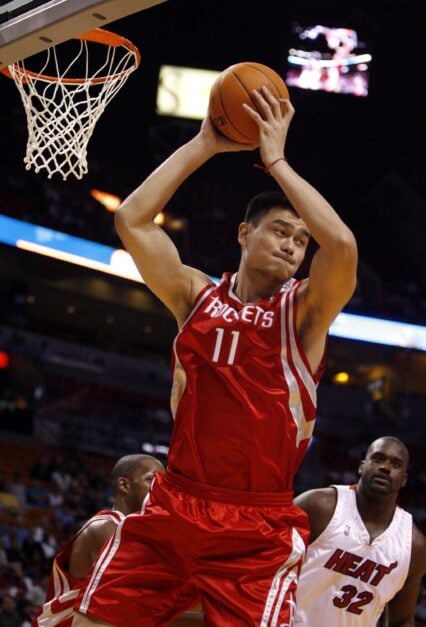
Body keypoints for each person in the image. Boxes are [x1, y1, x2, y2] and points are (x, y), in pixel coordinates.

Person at [72, 86, 358, 626]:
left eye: (301, 240)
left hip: (256, 524)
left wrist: (276, 162)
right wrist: (205, 141)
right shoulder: (194, 295)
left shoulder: (304, 313)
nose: (292, 245)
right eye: (280, 230)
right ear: (244, 233)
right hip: (175, 503)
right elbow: (132, 219)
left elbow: (341, 248)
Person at [294, 436, 426, 626]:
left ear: (404, 479)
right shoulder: (317, 506)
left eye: (395, 464)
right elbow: (267, 566)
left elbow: (402, 620)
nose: (385, 467)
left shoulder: (414, 545)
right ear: (361, 466)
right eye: (378, 458)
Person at [33, 454, 164, 626]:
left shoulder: (131, 530)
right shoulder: (106, 527)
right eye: (152, 480)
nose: (161, 489)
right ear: (124, 485)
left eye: (164, 484)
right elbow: (148, 593)